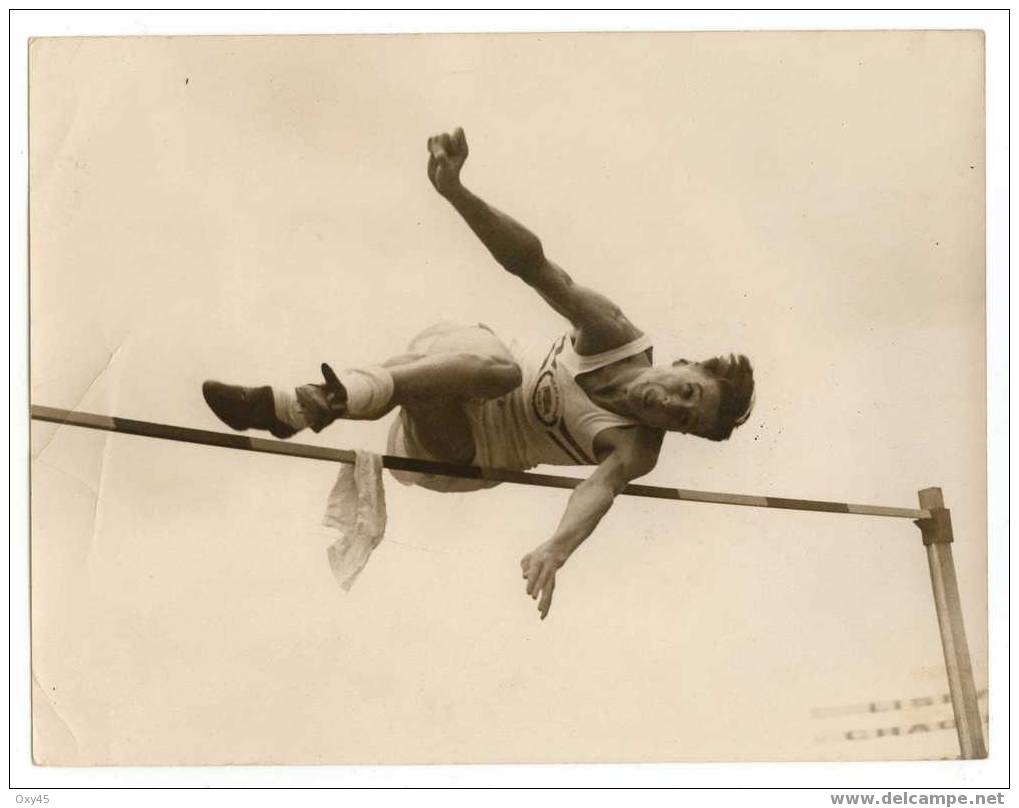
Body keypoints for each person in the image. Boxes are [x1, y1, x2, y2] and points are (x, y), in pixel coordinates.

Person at [203, 128, 755, 620]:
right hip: (460, 361)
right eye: (686, 392)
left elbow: (599, 490)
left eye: (684, 420)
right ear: (685, 365)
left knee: (500, 374)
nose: (670, 407)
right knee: (499, 369)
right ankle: (308, 403)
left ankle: (307, 404)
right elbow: (532, 265)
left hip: (458, 452)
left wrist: (554, 550)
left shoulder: (636, 448)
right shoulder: (613, 334)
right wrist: (457, 193)